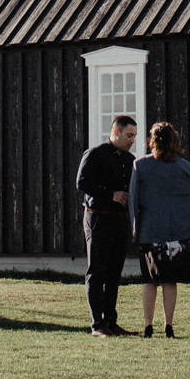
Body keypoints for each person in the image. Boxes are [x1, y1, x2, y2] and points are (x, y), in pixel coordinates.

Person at [127, 121, 190, 337]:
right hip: (179, 231)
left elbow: (133, 201)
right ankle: (168, 325)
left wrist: (135, 231)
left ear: (152, 141)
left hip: (150, 231)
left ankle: (148, 325)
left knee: (149, 280)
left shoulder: (140, 165)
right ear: (174, 140)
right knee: (170, 280)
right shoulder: (185, 167)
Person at [76, 114, 140, 337]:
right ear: (116, 132)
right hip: (97, 217)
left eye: (134, 136)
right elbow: (81, 182)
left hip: (118, 220)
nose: (132, 139)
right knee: (97, 271)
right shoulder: (95, 154)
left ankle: (111, 322)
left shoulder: (129, 159)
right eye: (129, 135)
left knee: (114, 272)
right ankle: (97, 325)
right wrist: (110, 195)